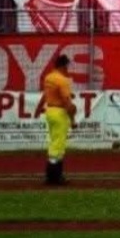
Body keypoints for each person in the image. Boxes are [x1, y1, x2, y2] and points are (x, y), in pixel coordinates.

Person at [42, 54, 77, 186]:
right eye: (67, 66)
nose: (68, 69)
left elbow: (50, 93)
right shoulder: (63, 80)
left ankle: (53, 176)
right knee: (58, 144)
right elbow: (68, 103)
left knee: (54, 140)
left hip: (50, 111)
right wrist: (73, 120)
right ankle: (54, 176)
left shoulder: (49, 77)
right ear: (63, 66)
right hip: (59, 113)